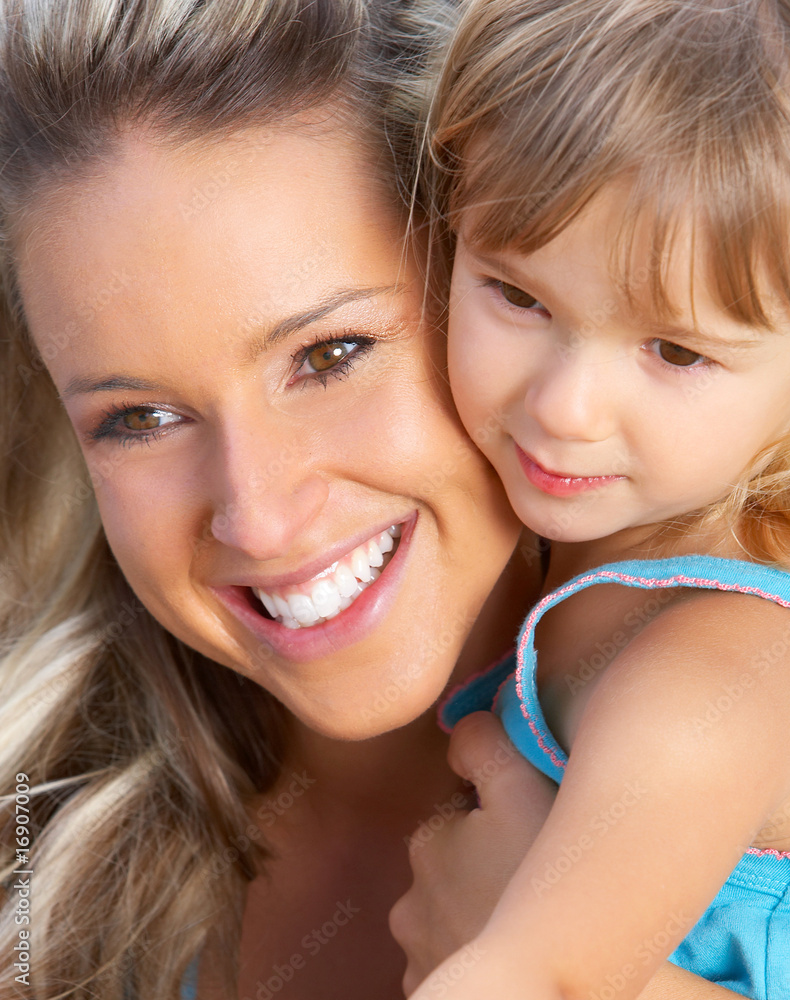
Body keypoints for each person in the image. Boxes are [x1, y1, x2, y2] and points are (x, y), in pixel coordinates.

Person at [0, 2, 550, 997]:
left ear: (513, 292)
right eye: (139, 418)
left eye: (329, 355)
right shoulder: (25, 864)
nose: (256, 517)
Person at [391, 1, 790, 998]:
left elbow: (537, 985)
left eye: (676, 351)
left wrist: (488, 936)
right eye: (518, 296)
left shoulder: (708, 675)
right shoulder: (608, 579)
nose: (564, 408)